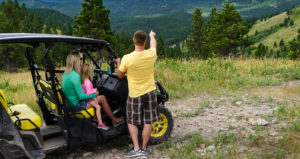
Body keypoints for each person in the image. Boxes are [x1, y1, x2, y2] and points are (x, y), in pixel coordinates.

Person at [114, 30, 158, 158]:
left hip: (135, 94)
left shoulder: (127, 58)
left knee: (132, 121)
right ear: (145, 42)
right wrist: (152, 36)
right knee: (148, 121)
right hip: (150, 92)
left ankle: (136, 149)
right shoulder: (151, 54)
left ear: (134, 40)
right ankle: (144, 148)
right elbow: (154, 44)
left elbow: (120, 75)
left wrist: (118, 63)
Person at [62, 52, 123, 128]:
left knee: (97, 98)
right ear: (76, 62)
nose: (80, 63)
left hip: (70, 104)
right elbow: (81, 97)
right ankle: (114, 120)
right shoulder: (75, 76)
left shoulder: (66, 74)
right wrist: (95, 94)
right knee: (103, 98)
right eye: (80, 61)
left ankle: (97, 118)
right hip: (77, 105)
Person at [81, 63, 109, 130]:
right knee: (98, 107)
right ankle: (100, 124)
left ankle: (95, 117)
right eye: (91, 71)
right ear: (88, 72)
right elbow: (88, 93)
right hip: (88, 99)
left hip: (86, 99)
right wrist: (95, 91)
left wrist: (93, 90)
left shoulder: (83, 80)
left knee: (96, 103)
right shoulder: (87, 82)